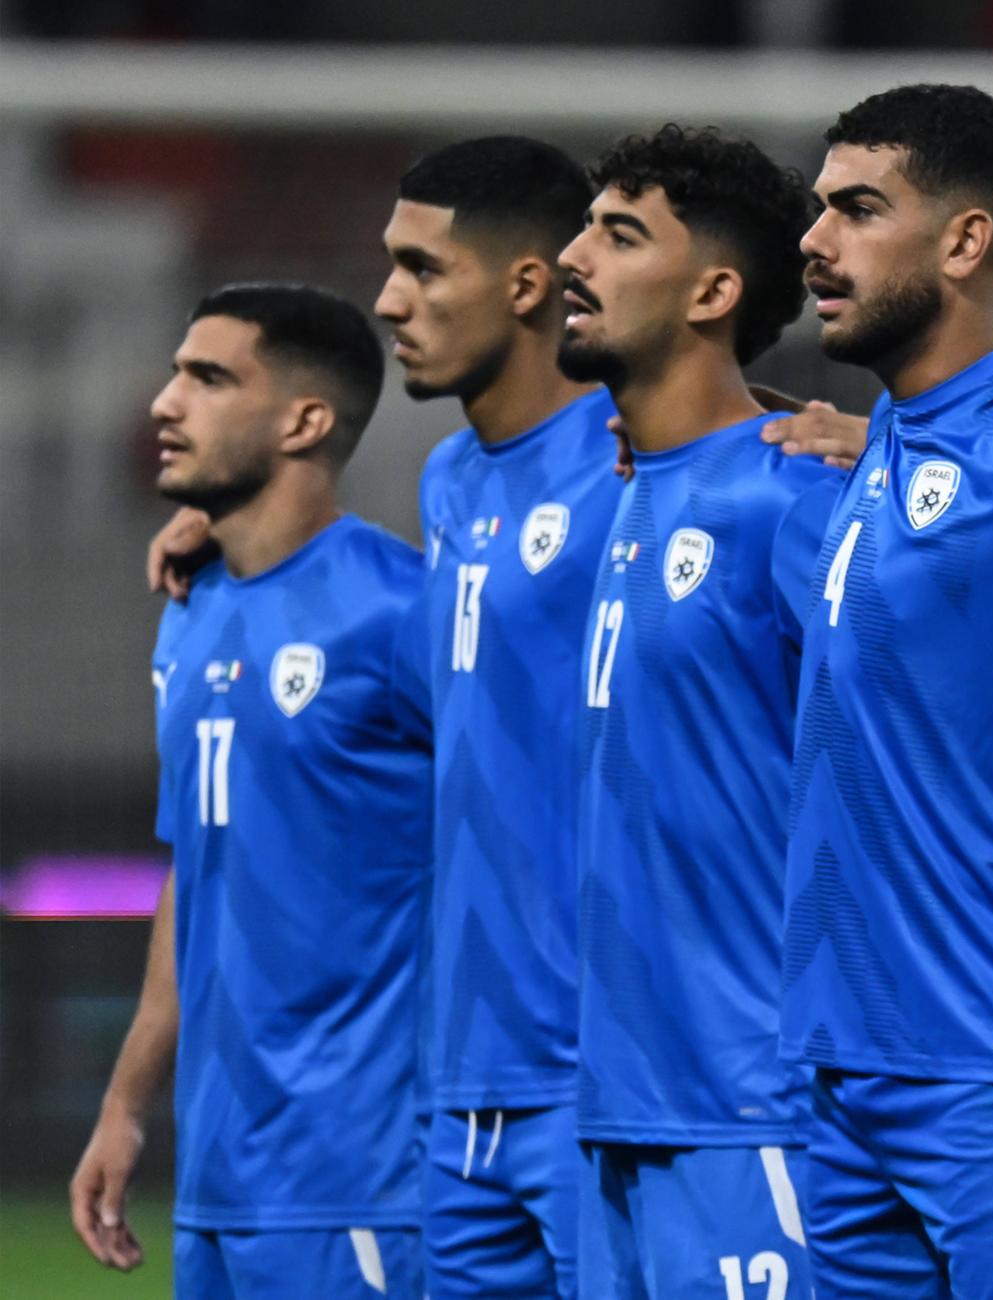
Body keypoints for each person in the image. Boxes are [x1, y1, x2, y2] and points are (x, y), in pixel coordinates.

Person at [775, 83, 993, 1298]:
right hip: (845, 1063)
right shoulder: (888, 439)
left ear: (965, 241)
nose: (814, 240)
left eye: (858, 209)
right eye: (818, 208)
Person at [74, 284, 431, 1297]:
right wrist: (129, 1104)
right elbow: (199, 868)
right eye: (177, 370)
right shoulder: (189, 614)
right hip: (219, 1178)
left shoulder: (401, 610)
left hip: (364, 1180)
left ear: (305, 421)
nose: (163, 401)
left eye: (209, 377)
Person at [556, 124, 838, 1299]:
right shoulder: (629, 488)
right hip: (616, 1109)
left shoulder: (795, 493)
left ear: (714, 291)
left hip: (752, 1108)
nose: (574, 256)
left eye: (620, 236)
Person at [383, 137, 615, 1300]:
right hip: (464, 1079)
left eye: (422, 269)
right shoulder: (448, 481)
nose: (388, 301)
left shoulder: (635, 462)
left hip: (602, 1070)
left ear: (527, 283)